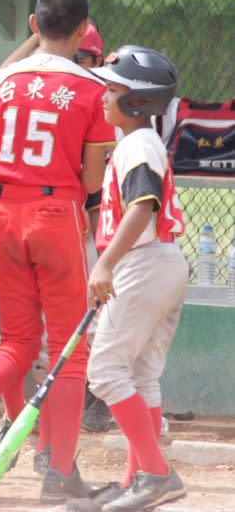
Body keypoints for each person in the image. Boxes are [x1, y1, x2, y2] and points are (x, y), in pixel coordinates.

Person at [0, 0, 115, 503]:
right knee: (67, 350)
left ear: (34, 26)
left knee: (15, 342)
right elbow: (90, 180)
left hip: (2, 212)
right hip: (55, 212)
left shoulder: (3, 80)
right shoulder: (90, 88)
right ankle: (60, 471)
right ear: (83, 31)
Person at [67, 46, 187, 512]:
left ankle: (156, 474)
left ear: (137, 102)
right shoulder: (141, 141)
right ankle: (138, 477)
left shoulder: (137, 144)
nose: (103, 96)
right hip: (162, 262)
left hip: (142, 260)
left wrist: (105, 263)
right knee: (141, 375)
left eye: (113, 90)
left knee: (105, 371)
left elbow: (143, 206)